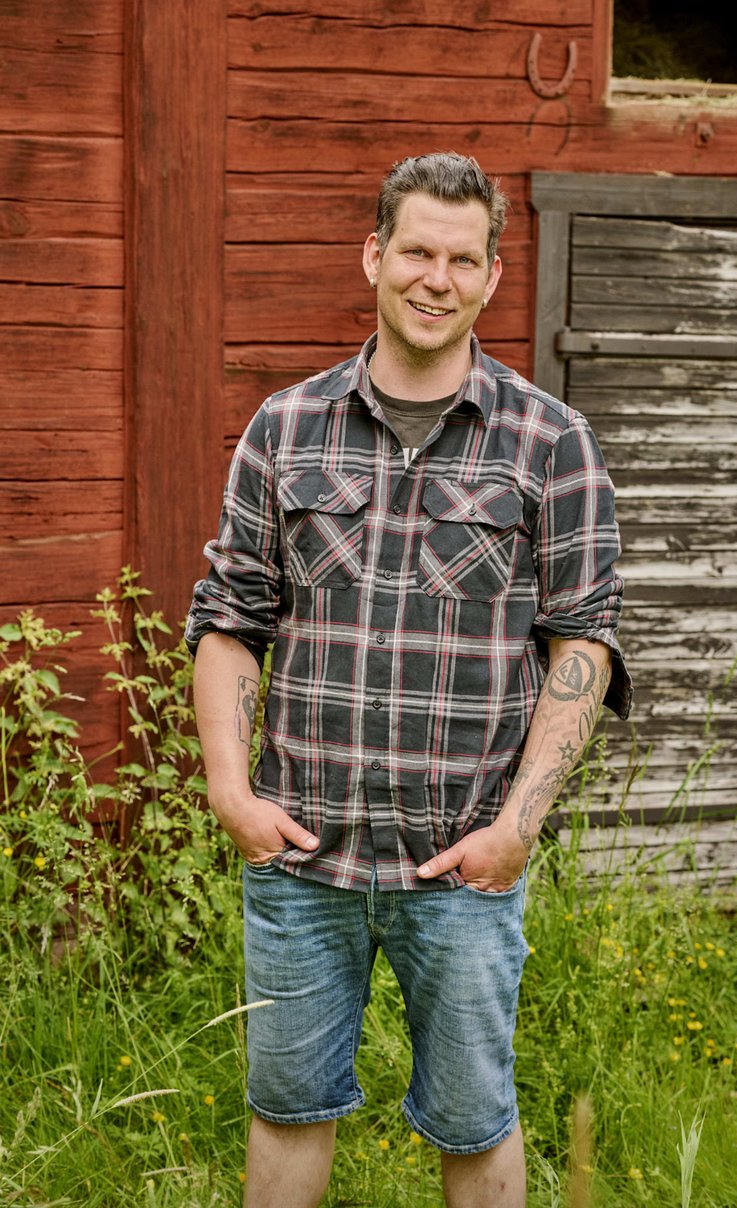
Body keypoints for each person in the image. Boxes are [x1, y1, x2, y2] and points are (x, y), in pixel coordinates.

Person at [186, 152, 631, 1208]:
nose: (437, 278)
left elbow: (583, 643)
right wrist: (230, 793)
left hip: (463, 867)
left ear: (491, 276)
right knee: (287, 1108)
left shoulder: (551, 442)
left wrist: (516, 827)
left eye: (462, 259)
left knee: (477, 1119)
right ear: (374, 256)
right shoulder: (284, 428)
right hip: (301, 857)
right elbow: (229, 620)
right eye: (417, 251)